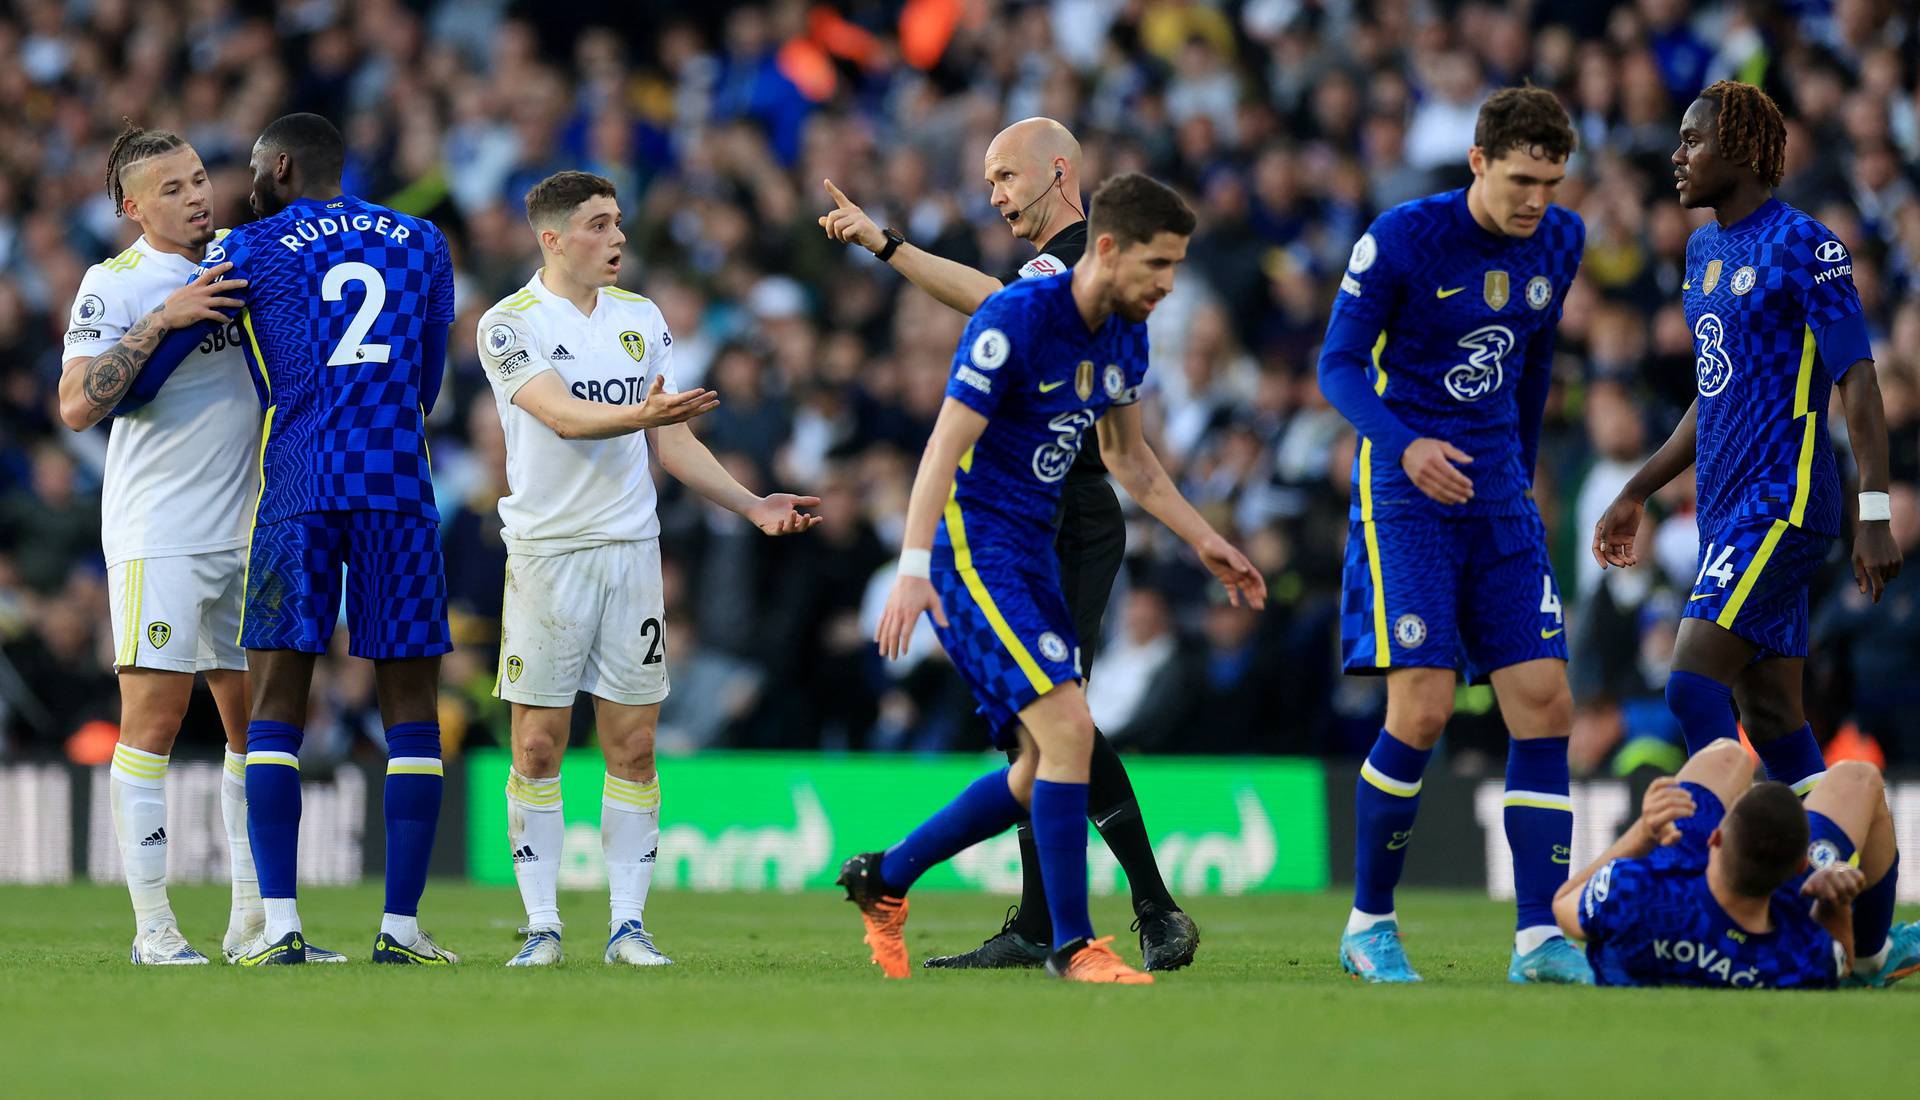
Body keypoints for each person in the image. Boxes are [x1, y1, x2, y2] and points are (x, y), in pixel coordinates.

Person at [842, 173, 1265, 984]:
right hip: (976, 547)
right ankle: (1073, 947)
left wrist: (1205, 538)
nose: (1168, 285)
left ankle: (885, 878)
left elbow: (1128, 460)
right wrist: (912, 568)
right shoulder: (1016, 319)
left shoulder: (1126, 336)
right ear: (1106, 248)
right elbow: (941, 447)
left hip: (1037, 549)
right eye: (1158, 265)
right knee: (1069, 730)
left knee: (1040, 766)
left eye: (1176, 267)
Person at [477, 171, 821, 968]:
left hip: (632, 553)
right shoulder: (509, 324)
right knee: (536, 747)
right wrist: (644, 415)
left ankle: (628, 926)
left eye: (620, 222)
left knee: (633, 744)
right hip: (547, 556)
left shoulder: (642, 319)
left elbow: (672, 442)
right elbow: (561, 416)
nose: (619, 238)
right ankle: (542, 927)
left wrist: (752, 504)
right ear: (552, 238)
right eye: (599, 225)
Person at [148, 113, 459, 965]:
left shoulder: (245, 250)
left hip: (298, 491)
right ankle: (400, 929)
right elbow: (429, 382)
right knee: (413, 716)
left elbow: (156, 372)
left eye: (251, 169)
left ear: (279, 166)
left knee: (276, 704)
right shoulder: (423, 241)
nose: (242, 185)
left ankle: (279, 925)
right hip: (396, 485)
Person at [1592, 81, 1903, 913]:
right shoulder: (1701, 254)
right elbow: (1715, 393)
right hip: (1729, 510)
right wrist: (1637, 488)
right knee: (1771, 717)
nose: (1677, 156)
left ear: (1740, 148)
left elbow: (1860, 384)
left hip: (1786, 500)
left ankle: (1724, 887)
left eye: (1692, 141)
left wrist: (1873, 511)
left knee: (1691, 684)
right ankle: (1868, 920)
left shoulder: (1807, 246)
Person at [1317, 87, 1590, 984]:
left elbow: (1536, 361)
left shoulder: (1561, 240)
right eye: (1520, 179)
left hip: (1498, 490)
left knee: (1545, 700)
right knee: (1424, 707)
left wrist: (1518, 463)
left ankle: (1537, 939)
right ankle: (1369, 926)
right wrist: (1406, 447)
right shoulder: (1401, 237)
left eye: (1551, 182)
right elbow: (1339, 366)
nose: (1535, 201)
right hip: (1406, 490)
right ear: (1478, 161)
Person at [56, 124, 344, 966]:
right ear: (130, 207)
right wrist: (163, 320)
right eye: (172, 189)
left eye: (197, 180)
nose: (195, 197)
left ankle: (254, 922)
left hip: (251, 527)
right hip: (161, 533)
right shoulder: (115, 284)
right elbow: (77, 405)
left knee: (255, 728)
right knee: (152, 720)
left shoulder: (250, 259)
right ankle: (154, 931)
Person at [1553, 740, 1920, 988]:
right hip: (1777, 917)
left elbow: (1562, 905)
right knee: (1859, 776)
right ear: (1799, 867)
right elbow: (1842, 956)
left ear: (1714, 836)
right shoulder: (1800, 958)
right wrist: (1834, 902)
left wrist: (1644, 831)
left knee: (1727, 754)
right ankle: (1877, 955)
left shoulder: (1633, 894)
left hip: (1677, 895)